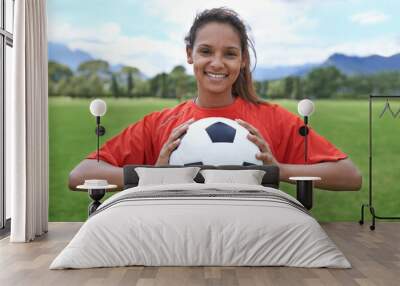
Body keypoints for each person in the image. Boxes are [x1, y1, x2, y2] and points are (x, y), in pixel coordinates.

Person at [69, 8, 362, 192]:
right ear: (190, 54)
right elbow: (80, 175)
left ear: (243, 60)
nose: (217, 63)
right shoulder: (160, 123)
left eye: (230, 53)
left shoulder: (273, 119)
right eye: (206, 51)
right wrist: (153, 174)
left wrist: (279, 169)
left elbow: (349, 176)